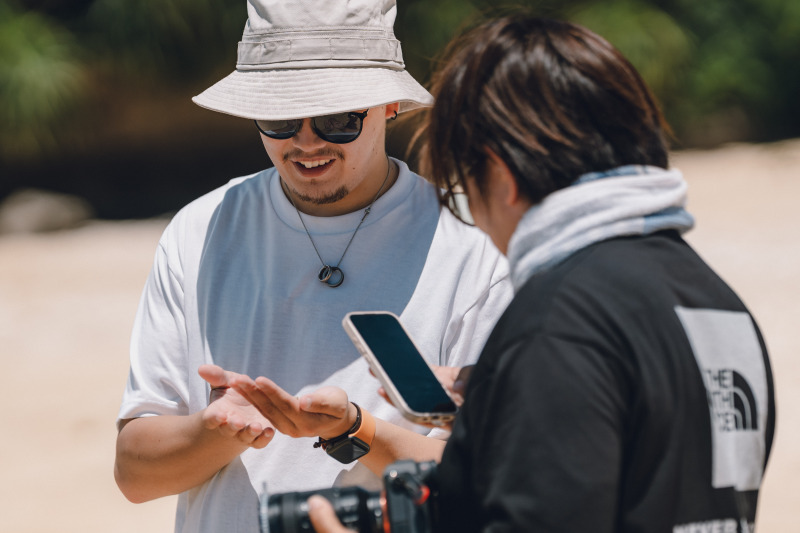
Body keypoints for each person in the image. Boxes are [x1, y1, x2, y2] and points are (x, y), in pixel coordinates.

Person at [255, 15, 776, 533]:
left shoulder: (561, 319)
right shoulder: (718, 303)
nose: (475, 218)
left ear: (500, 176)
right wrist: (501, 388)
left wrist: (535, 365)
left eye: (466, 184)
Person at [112, 1, 512, 532]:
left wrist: (355, 428)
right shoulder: (201, 229)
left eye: (339, 117)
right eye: (278, 116)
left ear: (390, 104)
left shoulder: (475, 243)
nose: (305, 141)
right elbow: (135, 476)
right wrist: (215, 430)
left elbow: (493, 477)